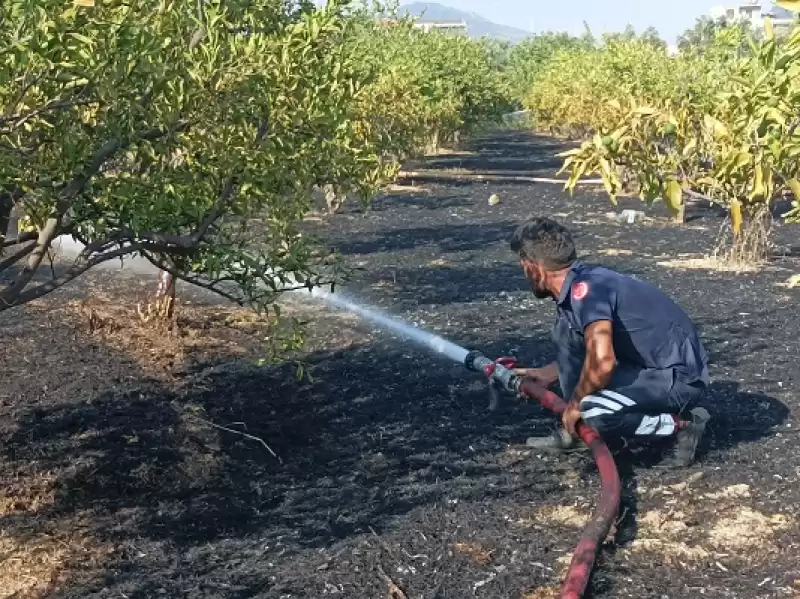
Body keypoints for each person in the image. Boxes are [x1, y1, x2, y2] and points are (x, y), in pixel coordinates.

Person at [508, 217, 710, 468]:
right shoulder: (584, 283)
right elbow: (590, 350)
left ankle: (683, 425)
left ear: (532, 267)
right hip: (645, 368)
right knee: (566, 333)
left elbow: (602, 361)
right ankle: (580, 433)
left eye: (522, 265)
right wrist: (548, 374)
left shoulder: (587, 292)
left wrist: (574, 405)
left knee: (594, 410)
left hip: (676, 379)